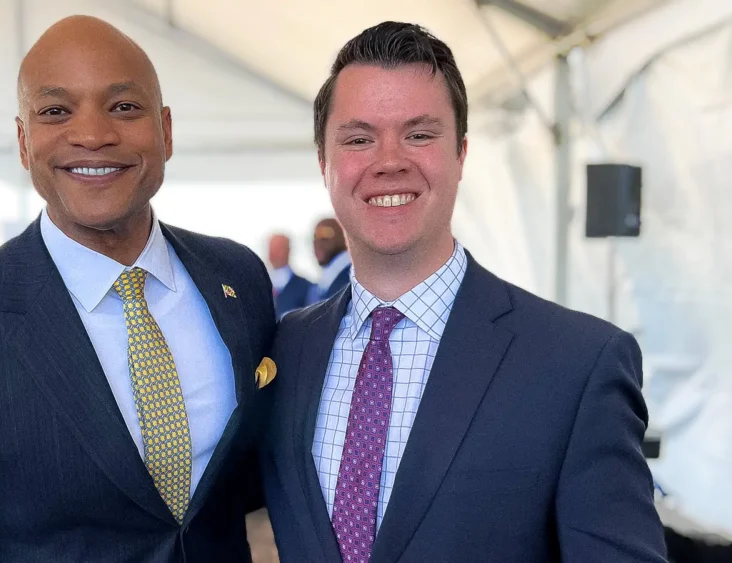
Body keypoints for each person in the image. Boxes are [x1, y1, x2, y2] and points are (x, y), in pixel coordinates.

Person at [0, 15, 276, 562]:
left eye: (124, 106)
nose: (94, 134)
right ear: (25, 142)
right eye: (56, 111)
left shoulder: (236, 276)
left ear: (165, 131)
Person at [260, 21, 668, 563]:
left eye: (420, 134)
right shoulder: (286, 348)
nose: (389, 160)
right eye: (359, 139)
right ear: (324, 163)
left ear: (461, 154)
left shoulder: (577, 364)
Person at [267, 233, 313, 318]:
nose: (273, 253)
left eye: (278, 248)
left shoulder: (306, 287)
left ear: (288, 250)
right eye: (271, 248)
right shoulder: (261, 284)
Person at [306, 217, 351, 305]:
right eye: (314, 237)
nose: (317, 243)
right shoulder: (319, 285)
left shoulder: (354, 278)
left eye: (324, 236)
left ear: (342, 237)